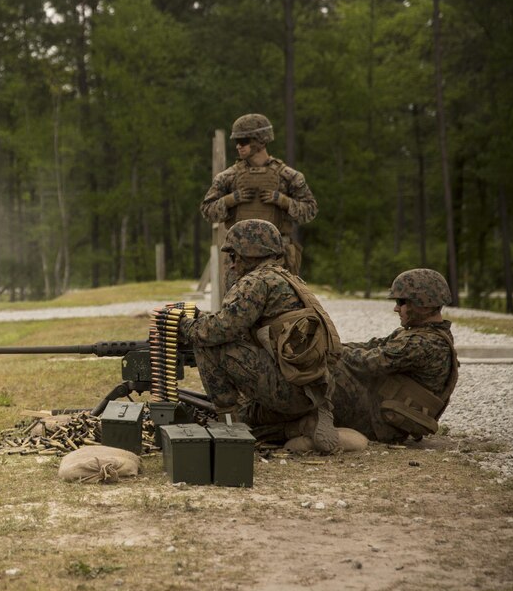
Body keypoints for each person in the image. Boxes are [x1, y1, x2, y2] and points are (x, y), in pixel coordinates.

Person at [178, 219, 342, 453]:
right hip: (312, 387)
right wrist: (200, 318)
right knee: (249, 414)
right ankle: (300, 426)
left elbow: (218, 331)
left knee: (206, 344)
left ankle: (229, 430)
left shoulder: (256, 281)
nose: (232, 265)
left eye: (234, 256)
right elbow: (238, 323)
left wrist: (185, 326)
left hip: (291, 390)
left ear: (250, 251)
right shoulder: (286, 278)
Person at [329, 269, 459, 443]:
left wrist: (329, 351)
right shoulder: (422, 334)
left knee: (329, 367)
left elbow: (368, 362)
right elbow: (371, 345)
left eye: (402, 302)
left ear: (425, 305)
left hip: (382, 423)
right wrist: (333, 346)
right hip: (383, 413)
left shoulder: (424, 344)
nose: (396, 308)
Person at [201, 113, 317, 275]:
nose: (238, 146)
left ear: (260, 141)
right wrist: (231, 200)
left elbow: (310, 212)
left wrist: (283, 201)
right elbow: (207, 211)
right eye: (236, 142)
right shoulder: (228, 177)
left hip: (277, 255)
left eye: (243, 141)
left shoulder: (289, 177)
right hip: (240, 258)